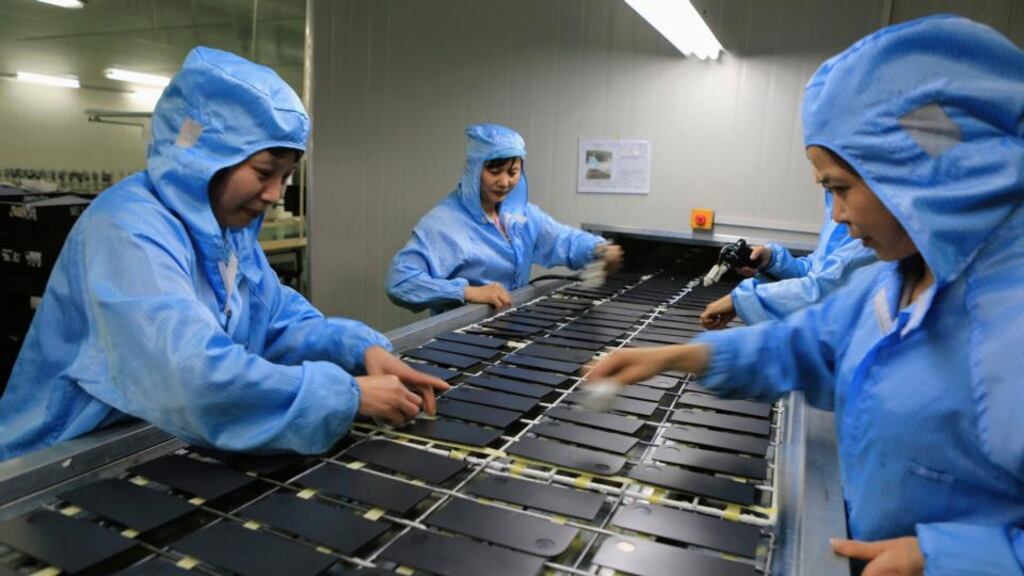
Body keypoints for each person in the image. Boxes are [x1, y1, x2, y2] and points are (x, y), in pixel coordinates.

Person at [588, 15, 1024, 576]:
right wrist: (678, 355)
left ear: (918, 172)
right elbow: (813, 342)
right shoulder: (903, 274)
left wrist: (942, 557)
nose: (837, 216)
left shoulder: (1009, 322)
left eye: (840, 190)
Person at [0, 47, 448, 461]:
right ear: (205, 156)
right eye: (264, 172)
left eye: (288, 176)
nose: (275, 194)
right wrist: (346, 394)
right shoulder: (127, 228)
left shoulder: (227, 233)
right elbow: (191, 374)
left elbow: (275, 322)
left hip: (154, 440)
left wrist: (357, 348)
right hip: (57, 463)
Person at [386, 124, 623, 314]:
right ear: (475, 170)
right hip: (460, 340)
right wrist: (467, 292)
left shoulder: (520, 215)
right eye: (495, 171)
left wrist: (598, 249)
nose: (504, 182)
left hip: (509, 326)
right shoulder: (444, 223)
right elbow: (400, 282)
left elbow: (563, 239)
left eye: (512, 172)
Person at [699, 191, 876, 329]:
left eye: (839, 187)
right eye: (827, 188)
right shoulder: (840, 210)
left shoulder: (875, 240)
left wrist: (741, 300)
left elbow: (828, 290)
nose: (836, 214)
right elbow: (817, 269)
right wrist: (771, 260)